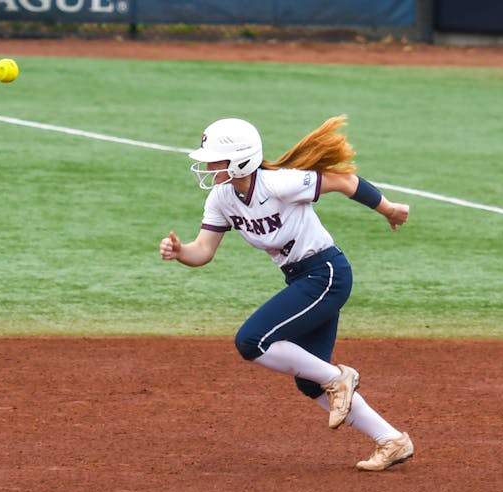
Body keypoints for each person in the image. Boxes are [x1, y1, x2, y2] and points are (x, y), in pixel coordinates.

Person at [158, 116, 414, 471]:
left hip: (325, 274)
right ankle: (392, 441)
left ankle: (339, 377)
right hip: (301, 280)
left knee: (251, 341)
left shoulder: (278, 184)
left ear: (240, 160)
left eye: (215, 159)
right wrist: (179, 251)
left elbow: (344, 180)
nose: (208, 165)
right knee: (309, 382)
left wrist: (388, 208)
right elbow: (202, 250)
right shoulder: (222, 199)